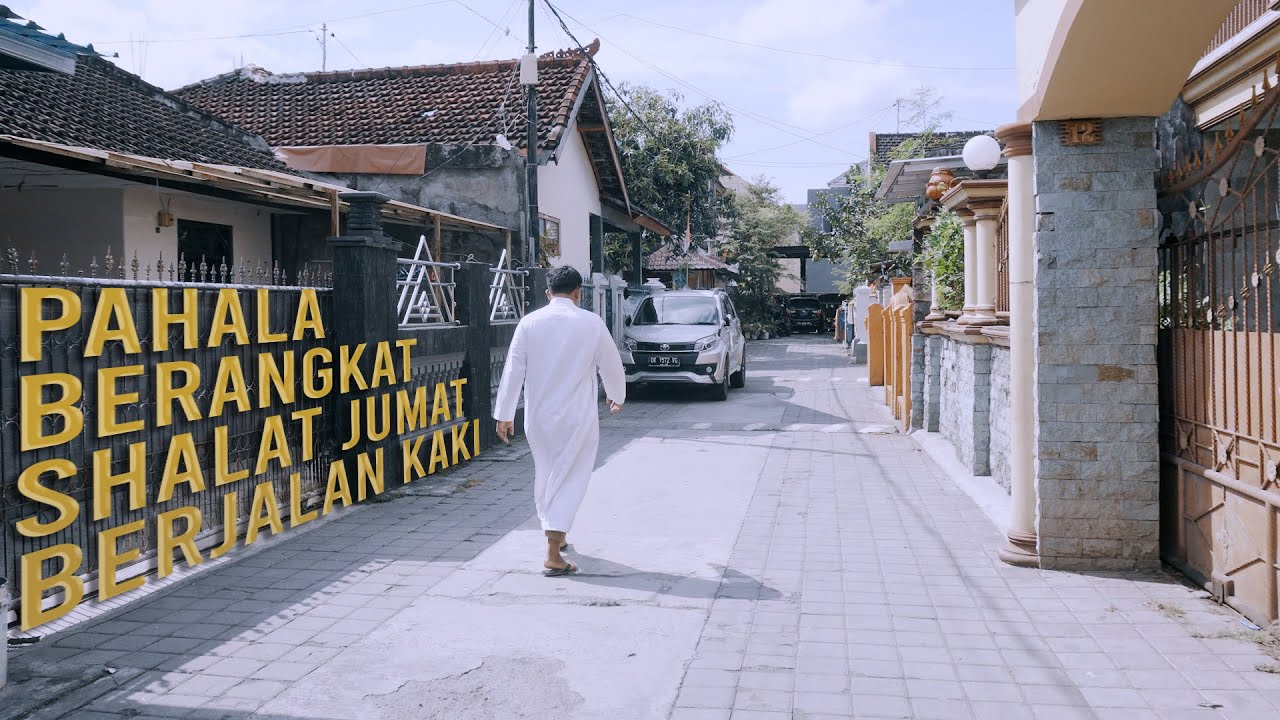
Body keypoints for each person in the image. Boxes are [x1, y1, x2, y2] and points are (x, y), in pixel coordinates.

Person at [493, 265, 626, 576]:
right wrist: (616, 394)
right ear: (578, 292)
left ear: (547, 292)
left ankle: (558, 533)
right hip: (577, 417)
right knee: (572, 476)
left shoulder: (529, 323)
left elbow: (514, 370)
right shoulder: (591, 323)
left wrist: (504, 414)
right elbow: (610, 361)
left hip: (538, 418)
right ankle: (553, 552)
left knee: (548, 472)